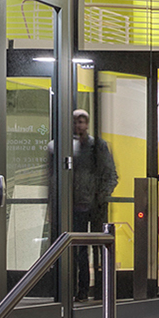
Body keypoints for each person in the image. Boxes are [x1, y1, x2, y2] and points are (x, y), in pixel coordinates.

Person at [71, 109, 118, 302]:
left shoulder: (98, 146)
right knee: (79, 251)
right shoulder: (67, 148)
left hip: (96, 207)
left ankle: (102, 289)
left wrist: (101, 196)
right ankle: (82, 290)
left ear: (88, 124)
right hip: (77, 206)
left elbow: (111, 174)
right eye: (76, 122)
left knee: (100, 248)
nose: (79, 125)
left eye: (82, 122)